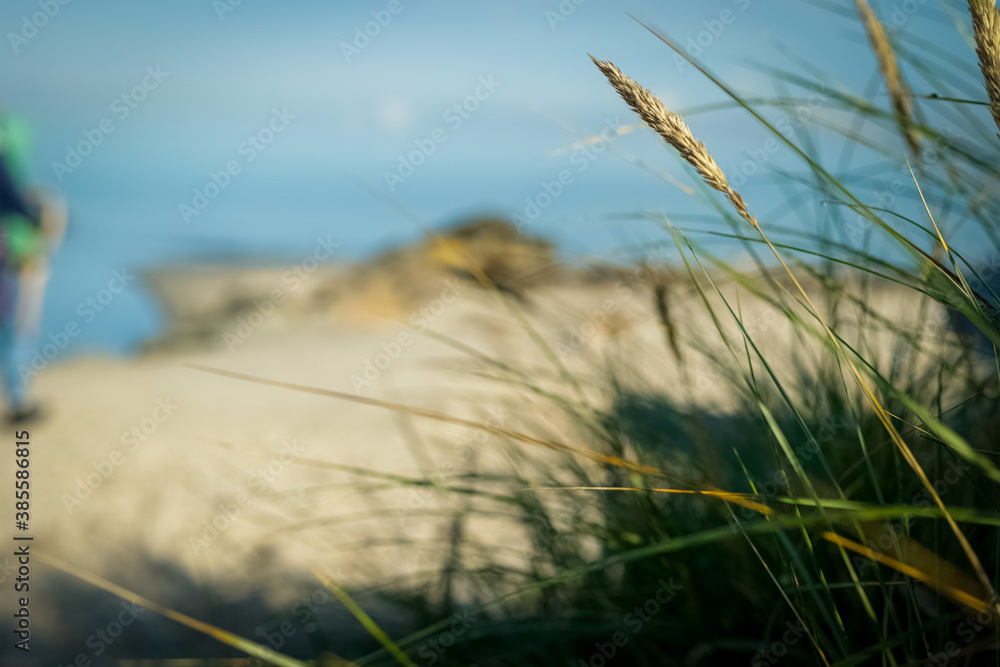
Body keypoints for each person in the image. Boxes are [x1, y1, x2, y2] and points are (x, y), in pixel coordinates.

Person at [0, 113, 65, 423]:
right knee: (18, 330)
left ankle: (18, 400)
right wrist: (35, 216)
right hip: (14, 256)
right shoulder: (6, 144)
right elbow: (10, 195)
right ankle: (18, 401)